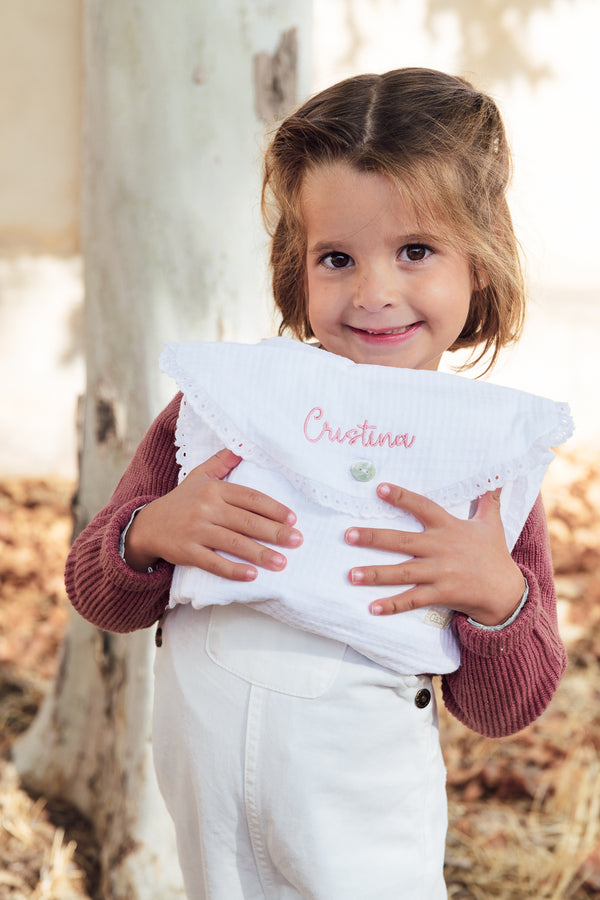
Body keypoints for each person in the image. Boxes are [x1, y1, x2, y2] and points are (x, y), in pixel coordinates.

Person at [65, 68, 571, 899]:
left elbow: (504, 708)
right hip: (210, 810)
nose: (374, 293)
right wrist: (147, 532)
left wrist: (498, 597)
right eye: (336, 258)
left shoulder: (478, 455)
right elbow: (96, 589)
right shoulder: (232, 407)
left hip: (362, 812)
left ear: (478, 263)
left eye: (416, 251)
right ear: (295, 269)